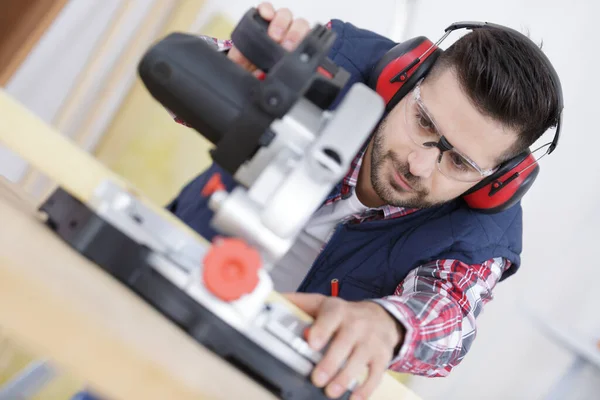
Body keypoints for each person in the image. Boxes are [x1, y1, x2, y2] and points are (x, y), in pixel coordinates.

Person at [72, 2, 563, 400]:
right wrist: (234, 71)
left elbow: (449, 317)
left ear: (499, 181)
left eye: (458, 163)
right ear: (404, 76)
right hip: (164, 303)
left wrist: (386, 325)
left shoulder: (482, 236)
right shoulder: (335, 62)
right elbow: (174, 66)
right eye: (425, 124)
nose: (419, 165)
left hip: (268, 381)